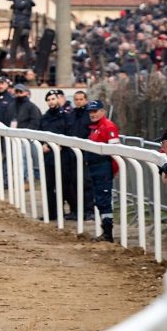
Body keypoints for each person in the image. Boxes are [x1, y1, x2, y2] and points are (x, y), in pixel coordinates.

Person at [86, 100, 120, 242]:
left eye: (95, 111)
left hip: (103, 167)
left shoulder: (108, 126)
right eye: (90, 112)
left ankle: (108, 234)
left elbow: (116, 151)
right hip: (95, 167)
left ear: (102, 111)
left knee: (104, 200)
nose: (92, 114)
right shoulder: (95, 127)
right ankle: (105, 232)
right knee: (99, 200)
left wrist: (114, 169)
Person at [65, 90, 93, 221]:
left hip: (86, 153)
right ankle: (75, 210)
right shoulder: (71, 115)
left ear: (86, 100)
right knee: (72, 183)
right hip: (71, 154)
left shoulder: (90, 115)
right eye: (76, 99)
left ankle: (89, 210)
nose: (78, 101)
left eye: (81, 99)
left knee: (86, 183)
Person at [39, 90, 68, 220]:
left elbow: (69, 133)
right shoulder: (44, 118)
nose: (51, 102)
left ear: (58, 99)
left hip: (63, 157)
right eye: (49, 100)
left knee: (64, 185)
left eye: (53, 99)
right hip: (48, 157)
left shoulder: (66, 116)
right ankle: (51, 214)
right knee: (49, 186)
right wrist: (42, 144)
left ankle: (65, 212)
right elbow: (38, 133)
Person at [8, 0, 35, 66]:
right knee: (25, 44)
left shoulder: (26, 2)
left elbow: (18, 6)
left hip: (20, 25)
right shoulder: (28, 3)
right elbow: (17, 7)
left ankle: (12, 63)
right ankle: (29, 62)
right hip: (25, 26)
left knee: (14, 45)